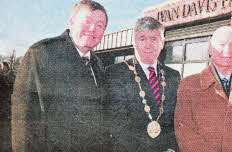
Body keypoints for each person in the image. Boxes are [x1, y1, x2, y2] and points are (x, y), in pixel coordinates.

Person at [11, 0, 108, 151]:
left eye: (99, 25)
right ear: (72, 22)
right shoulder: (42, 54)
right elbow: (24, 121)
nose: (92, 29)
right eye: (87, 21)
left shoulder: (99, 66)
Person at [175, 26, 232, 152]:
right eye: (222, 44)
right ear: (211, 49)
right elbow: (185, 131)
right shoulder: (189, 85)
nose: (227, 51)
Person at [105, 17, 180, 151]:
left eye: (154, 39)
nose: (148, 45)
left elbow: (176, 121)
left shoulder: (173, 76)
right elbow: (117, 125)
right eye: (142, 39)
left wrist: (172, 148)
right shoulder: (115, 73)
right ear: (134, 42)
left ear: (162, 43)